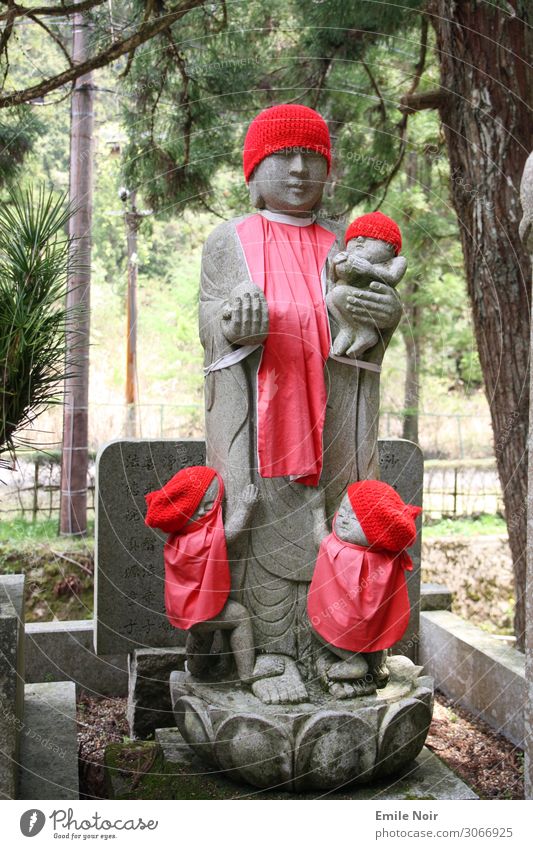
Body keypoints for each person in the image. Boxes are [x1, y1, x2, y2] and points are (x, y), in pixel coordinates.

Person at [199, 103, 403, 703]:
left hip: (338, 411)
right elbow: (209, 318)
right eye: (282, 157)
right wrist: (232, 323)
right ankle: (272, 655)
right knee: (269, 527)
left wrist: (383, 319)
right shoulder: (228, 240)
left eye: (311, 159)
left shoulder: (344, 244)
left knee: (345, 524)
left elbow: (370, 325)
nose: (297, 171)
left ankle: (342, 650)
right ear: (254, 167)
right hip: (267, 415)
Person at [145, 466, 284, 685]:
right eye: (205, 507)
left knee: (203, 634)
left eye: (212, 506)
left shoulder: (179, 538)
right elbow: (227, 536)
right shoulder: (195, 540)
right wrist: (246, 509)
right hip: (198, 612)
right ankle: (248, 673)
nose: (205, 513)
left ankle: (195, 668)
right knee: (239, 617)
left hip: (188, 611)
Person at [307, 479, 421, 699]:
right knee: (376, 634)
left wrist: (317, 510)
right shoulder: (387, 557)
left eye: (356, 517)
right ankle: (376, 661)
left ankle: (353, 661)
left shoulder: (345, 552)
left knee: (316, 621)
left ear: (376, 533)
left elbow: (318, 539)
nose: (344, 518)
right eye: (345, 509)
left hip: (342, 621)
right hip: (375, 624)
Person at [328, 212, 407, 358]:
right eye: (355, 237)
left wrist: (370, 270)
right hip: (347, 300)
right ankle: (349, 329)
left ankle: (366, 332)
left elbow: (393, 277)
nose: (359, 239)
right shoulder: (348, 258)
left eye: (369, 238)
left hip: (371, 299)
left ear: (389, 245)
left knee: (338, 294)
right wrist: (335, 265)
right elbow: (332, 280)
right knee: (331, 297)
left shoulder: (397, 261)